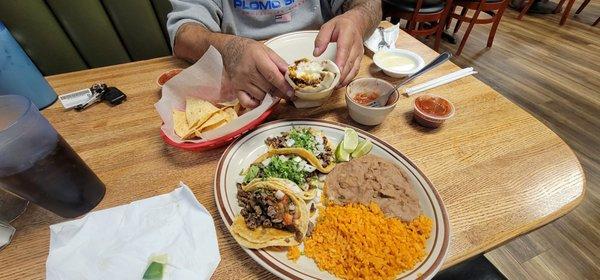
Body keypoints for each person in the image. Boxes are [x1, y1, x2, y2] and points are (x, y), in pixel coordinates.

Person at [167, 0, 381, 108]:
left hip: (333, 96)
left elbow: (370, 4)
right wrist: (229, 50)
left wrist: (357, 20)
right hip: (248, 95)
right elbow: (184, 34)